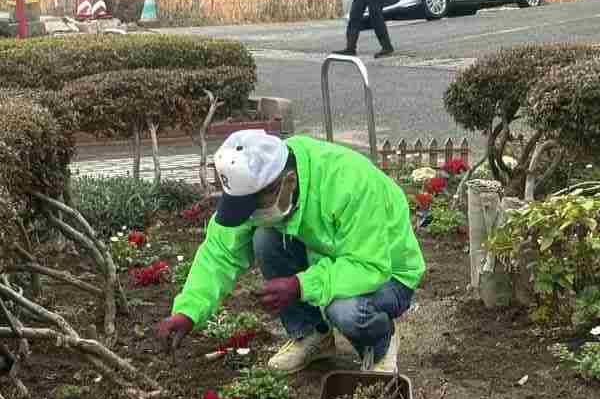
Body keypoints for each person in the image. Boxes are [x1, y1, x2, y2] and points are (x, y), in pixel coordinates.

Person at [157, 130, 425, 374]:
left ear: (288, 182)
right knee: (264, 236)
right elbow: (219, 252)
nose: (249, 215)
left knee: (344, 310)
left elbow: (370, 266)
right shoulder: (260, 176)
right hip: (330, 254)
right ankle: (312, 336)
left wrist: (299, 285)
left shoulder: (349, 182)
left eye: (254, 206)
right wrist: (187, 312)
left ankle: (381, 343)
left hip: (388, 272)